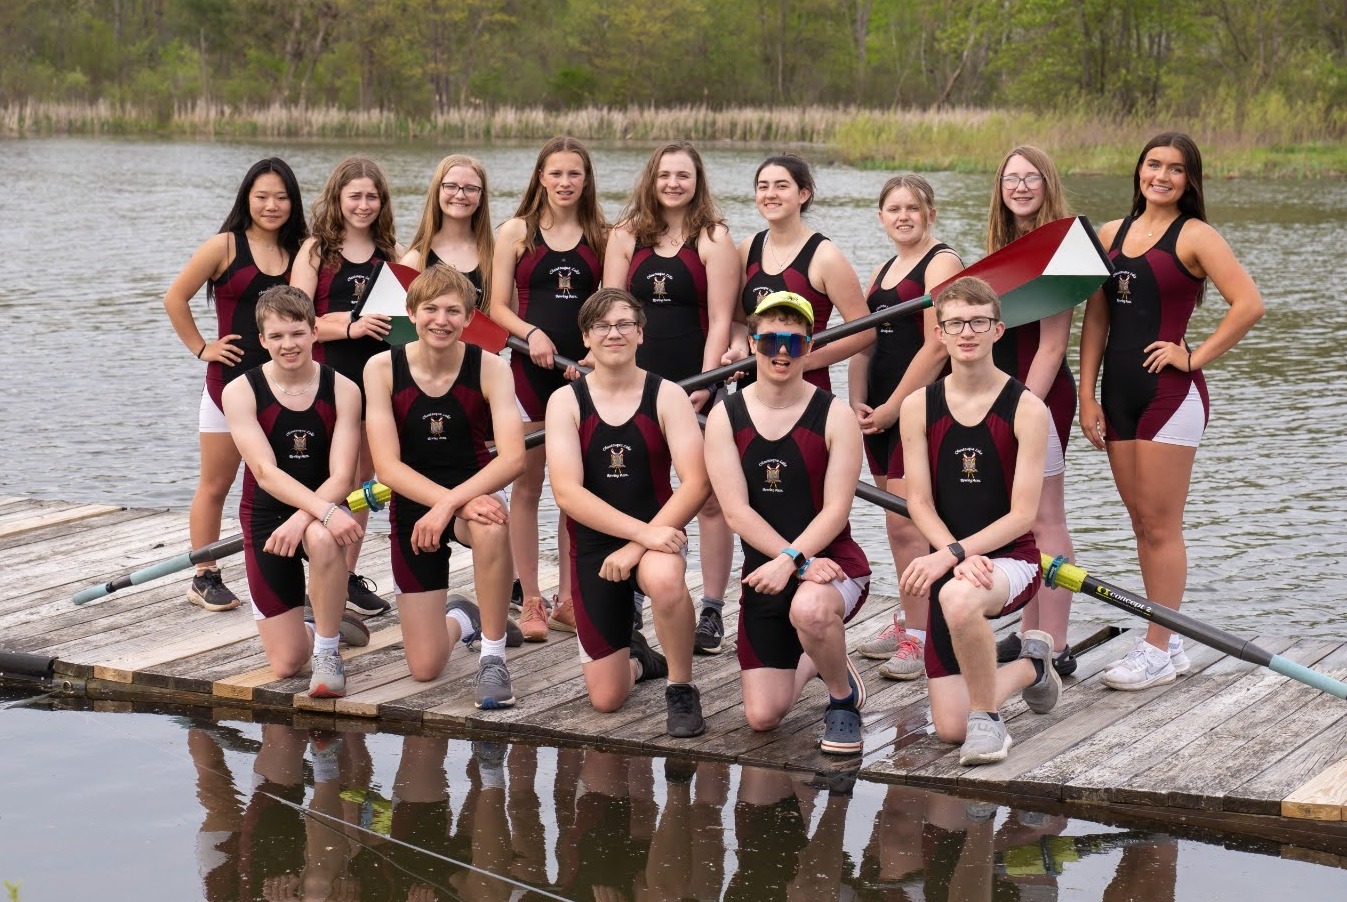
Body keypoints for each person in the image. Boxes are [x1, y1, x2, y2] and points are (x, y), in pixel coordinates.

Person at [1079, 132, 1263, 690]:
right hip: (1117, 395)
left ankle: (1156, 647)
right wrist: (1087, 394)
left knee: (1162, 525)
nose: (1161, 175)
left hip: (1169, 396)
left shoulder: (1197, 235)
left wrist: (1194, 355)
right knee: (1141, 523)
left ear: (1189, 179)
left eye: (1175, 169)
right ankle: (1172, 637)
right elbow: (1097, 321)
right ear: (1139, 171)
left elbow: (1249, 303)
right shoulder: (1110, 234)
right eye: (1153, 164)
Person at [897, 275, 1060, 765]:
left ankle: (990, 722)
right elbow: (919, 503)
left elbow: (1023, 515)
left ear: (998, 330)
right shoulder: (917, 405)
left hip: (1013, 560)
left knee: (956, 595)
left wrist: (955, 555)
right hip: (953, 560)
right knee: (948, 729)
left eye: (978, 322)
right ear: (940, 333)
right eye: (955, 324)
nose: (967, 332)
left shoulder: (1028, 408)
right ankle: (1032, 666)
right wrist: (953, 553)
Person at [703, 290, 871, 756]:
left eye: (794, 343)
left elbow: (837, 511)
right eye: (771, 340)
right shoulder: (724, 417)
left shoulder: (835, 414)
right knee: (762, 718)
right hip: (768, 577)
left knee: (811, 611)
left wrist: (796, 560)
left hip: (833, 567)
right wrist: (788, 563)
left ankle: (842, 699)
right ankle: (819, 657)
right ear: (753, 342)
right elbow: (736, 512)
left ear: (810, 347)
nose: (782, 351)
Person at [546, 288, 711, 737]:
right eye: (602, 325)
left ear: (640, 332)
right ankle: (639, 658)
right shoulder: (566, 401)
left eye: (623, 324)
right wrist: (639, 536)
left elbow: (696, 482)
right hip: (597, 546)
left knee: (664, 577)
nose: (613, 333)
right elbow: (567, 493)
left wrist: (642, 542)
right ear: (586, 337)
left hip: (659, 535)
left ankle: (681, 687)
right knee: (606, 699)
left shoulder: (667, 395)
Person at [364, 264, 527, 707]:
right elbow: (388, 468)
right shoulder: (381, 368)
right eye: (431, 309)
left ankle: (493, 658)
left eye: (454, 311)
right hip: (414, 504)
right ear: (410, 313)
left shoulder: (491, 368)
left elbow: (512, 458)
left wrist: (455, 503)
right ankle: (463, 616)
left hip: (474, 494)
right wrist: (443, 505)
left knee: (493, 525)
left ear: (470, 318)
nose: (442, 320)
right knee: (425, 667)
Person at [602, 140, 740, 657]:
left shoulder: (713, 237)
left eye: (683, 175)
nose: (673, 184)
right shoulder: (625, 236)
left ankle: (710, 607)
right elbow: (611, 308)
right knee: (639, 485)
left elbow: (721, 318)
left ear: (697, 181)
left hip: (694, 382)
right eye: (664, 175)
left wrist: (705, 385)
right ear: (651, 179)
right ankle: (634, 595)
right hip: (634, 383)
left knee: (707, 499)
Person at [163, 157, 308, 613]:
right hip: (228, 384)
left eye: (281, 197)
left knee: (287, 481)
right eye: (262, 196)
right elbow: (175, 297)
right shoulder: (224, 246)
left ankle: (293, 572)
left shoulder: (304, 249)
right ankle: (205, 576)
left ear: (293, 202)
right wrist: (202, 346)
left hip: (287, 389)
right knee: (216, 483)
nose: (272, 205)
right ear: (247, 197)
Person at [488, 136, 607, 640]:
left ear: (586, 180)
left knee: (571, 491)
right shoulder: (516, 231)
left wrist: (594, 353)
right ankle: (531, 599)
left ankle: (567, 598)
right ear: (540, 177)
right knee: (528, 486)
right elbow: (495, 307)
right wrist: (531, 333)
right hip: (528, 370)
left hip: (578, 374)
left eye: (574, 174)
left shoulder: (602, 234)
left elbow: (609, 301)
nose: (564, 183)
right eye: (555, 173)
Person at [220, 285, 366, 697]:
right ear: (263, 341)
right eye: (278, 336)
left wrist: (307, 516)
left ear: (314, 332)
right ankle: (324, 618)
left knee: (321, 537)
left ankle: (327, 648)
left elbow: (341, 475)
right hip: (267, 515)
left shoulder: (344, 389)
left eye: (297, 333)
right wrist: (316, 511)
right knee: (285, 665)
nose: (289, 345)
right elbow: (265, 472)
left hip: (322, 510)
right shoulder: (240, 391)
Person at [848, 174, 964, 680]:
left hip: (917, 410)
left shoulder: (943, 262)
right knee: (898, 529)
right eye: (893, 209)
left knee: (909, 523)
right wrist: (855, 401)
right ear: (880, 217)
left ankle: (921, 638)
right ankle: (912, 622)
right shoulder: (882, 270)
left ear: (930, 214)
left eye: (912, 208)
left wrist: (895, 406)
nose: (903, 216)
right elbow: (865, 342)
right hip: (878, 412)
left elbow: (937, 344)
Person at [291, 155, 404, 618]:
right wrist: (351, 326)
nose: (363, 205)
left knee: (365, 482)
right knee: (324, 476)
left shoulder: (391, 254)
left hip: (378, 381)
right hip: (328, 379)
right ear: (338, 198)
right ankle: (313, 573)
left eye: (371, 196)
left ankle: (348, 575)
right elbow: (296, 321)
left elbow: (403, 323)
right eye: (354, 195)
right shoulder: (317, 250)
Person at [984, 146, 1080, 677]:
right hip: (1002, 395)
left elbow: (1050, 346)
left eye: (1032, 178)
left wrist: (1022, 411)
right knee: (1019, 518)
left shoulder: (1061, 248)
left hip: (1038, 397)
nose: (1020, 187)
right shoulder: (1003, 248)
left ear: (1048, 184)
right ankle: (1027, 632)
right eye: (1011, 178)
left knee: (1046, 518)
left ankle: (1056, 641)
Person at [738, 154, 870, 392]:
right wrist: (738, 348)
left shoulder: (825, 256)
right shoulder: (747, 249)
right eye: (762, 186)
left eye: (781, 186)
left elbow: (865, 332)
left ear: (803, 194)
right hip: (753, 385)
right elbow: (738, 322)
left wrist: (805, 361)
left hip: (806, 386)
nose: (770, 194)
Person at [400, 153, 493, 309]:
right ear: (437, 191)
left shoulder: (495, 258)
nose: (460, 195)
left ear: (481, 198)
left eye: (471, 188)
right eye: (450, 186)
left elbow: (509, 320)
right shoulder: (415, 261)